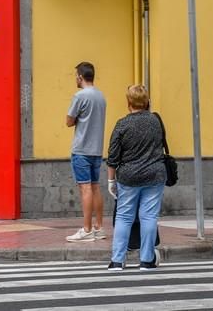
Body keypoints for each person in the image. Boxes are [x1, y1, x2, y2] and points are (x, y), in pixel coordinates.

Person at [106, 85, 166, 271]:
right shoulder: (155, 121)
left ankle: (117, 260)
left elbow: (113, 156)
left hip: (129, 177)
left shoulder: (122, 124)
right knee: (149, 216)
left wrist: (111, 180)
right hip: (155, 174)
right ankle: (147, 260)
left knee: (124, 216)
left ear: (128, 102)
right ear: (147, 101)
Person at [65, 61, 107, 242]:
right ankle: (99, 227)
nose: (75, 78)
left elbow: (69, 121)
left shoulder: (80, 96)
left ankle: (87, 229)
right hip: (96, 149)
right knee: (95, 187)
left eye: (76, 75)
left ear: (81, 77)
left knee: (85, 188)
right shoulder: (101, 96)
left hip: (82, 148)